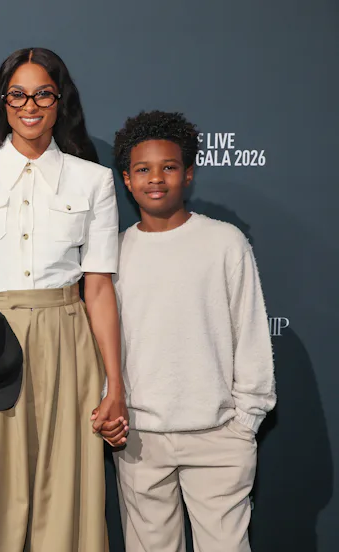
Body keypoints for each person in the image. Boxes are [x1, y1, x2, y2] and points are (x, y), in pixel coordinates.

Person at [0, 47, 128, 552]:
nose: (29, 105)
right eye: (17, 93)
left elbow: (98, 288)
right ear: (2, 101)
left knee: (64, 494)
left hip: (67, 344)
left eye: (42, 93)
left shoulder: (93, 180)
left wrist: (115, 384)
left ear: (60, 102)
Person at [108, 110, 276, 551]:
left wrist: (245, 422)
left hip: (220, 438)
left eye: (169, 167)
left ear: (189, 175)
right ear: (126, 179)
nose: (156, 179)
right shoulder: (114, 254)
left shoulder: (225, 242)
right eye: (143, 169)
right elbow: (104, 341)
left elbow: (251, 333)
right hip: (141, 440)